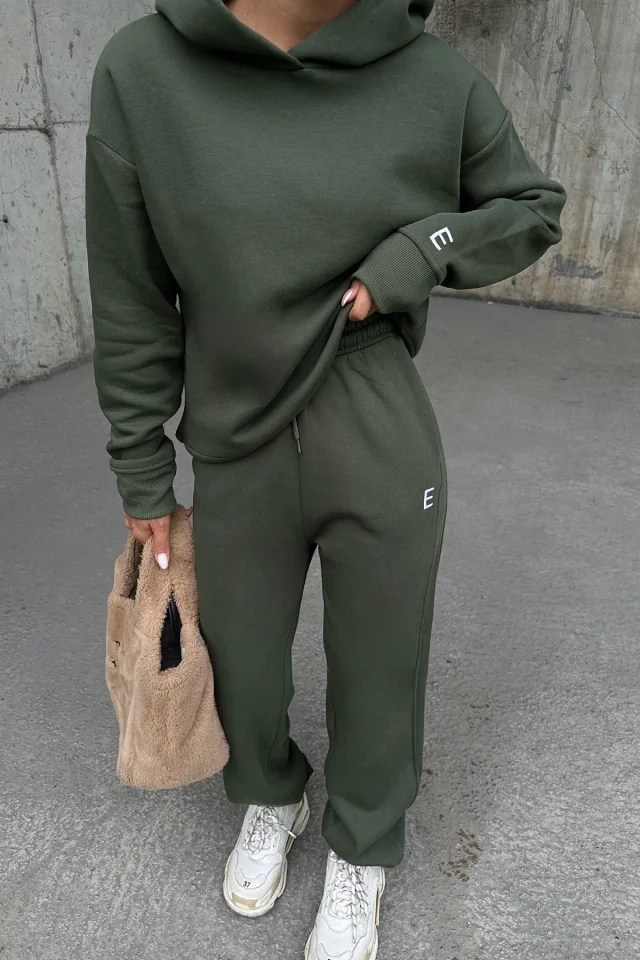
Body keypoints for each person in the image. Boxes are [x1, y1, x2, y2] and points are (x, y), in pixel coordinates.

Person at [84, 0, 566, 956]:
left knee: (382, 662)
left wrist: (417, 253)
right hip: (236, 430)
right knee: (242, 659)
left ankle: (363, 845)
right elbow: (131, 291)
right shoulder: (143, 74)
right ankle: (273, 794)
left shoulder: (433, 79)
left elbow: (532, 206)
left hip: (376, 416)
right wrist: (142, 465)